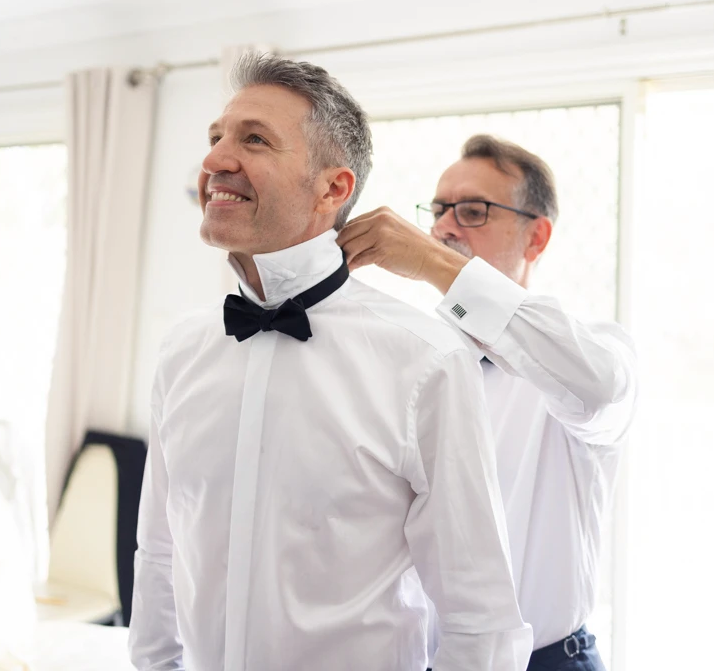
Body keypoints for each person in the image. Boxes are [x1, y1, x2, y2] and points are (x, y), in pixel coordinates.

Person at [128, 56, 532, 671]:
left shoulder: (426, 361)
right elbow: (160, 552)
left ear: (333, 188)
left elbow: (481, 619)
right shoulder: (182, 351)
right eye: (216, 138)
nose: (214, 161)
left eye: (254, 140)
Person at [337, 135, 638, 671]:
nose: (445, 227)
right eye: (437, 211)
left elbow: (596, 387)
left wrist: (433, 263)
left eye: (473, 211)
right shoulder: (410, 359)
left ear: (536, 237)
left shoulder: (592, 352)